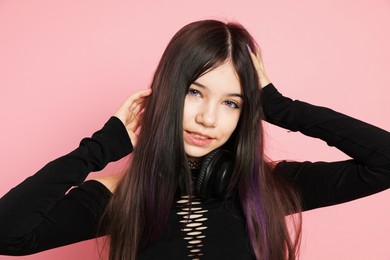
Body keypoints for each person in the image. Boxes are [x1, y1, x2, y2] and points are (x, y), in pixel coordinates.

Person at [0, 19, 389, 260]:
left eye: (232, 102)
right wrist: (100, 148)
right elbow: (9, 235)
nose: (208, 118)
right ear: (166, 93)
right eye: (194, 92)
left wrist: (280, 106)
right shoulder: (122, 196)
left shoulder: (266, 189)